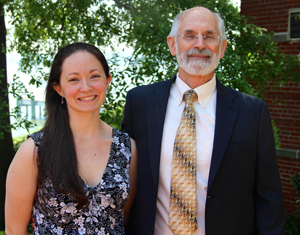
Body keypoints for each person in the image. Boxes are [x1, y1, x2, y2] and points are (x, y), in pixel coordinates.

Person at [122, 7, 285, 235]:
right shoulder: (140, 103)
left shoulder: (252, 112)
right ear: (172, 44)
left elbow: (269, 199)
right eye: (189, 36)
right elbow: (124, 184)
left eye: (209, 36)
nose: (200, 44)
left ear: (222, 48)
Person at [5, 42, 137, 235]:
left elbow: (123, 220)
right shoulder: (34, 151)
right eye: (74, 79)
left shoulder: (127, 148)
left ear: (108, 80)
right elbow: (14, 230)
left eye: (94, 76)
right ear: (59, 88)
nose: (86, 87)